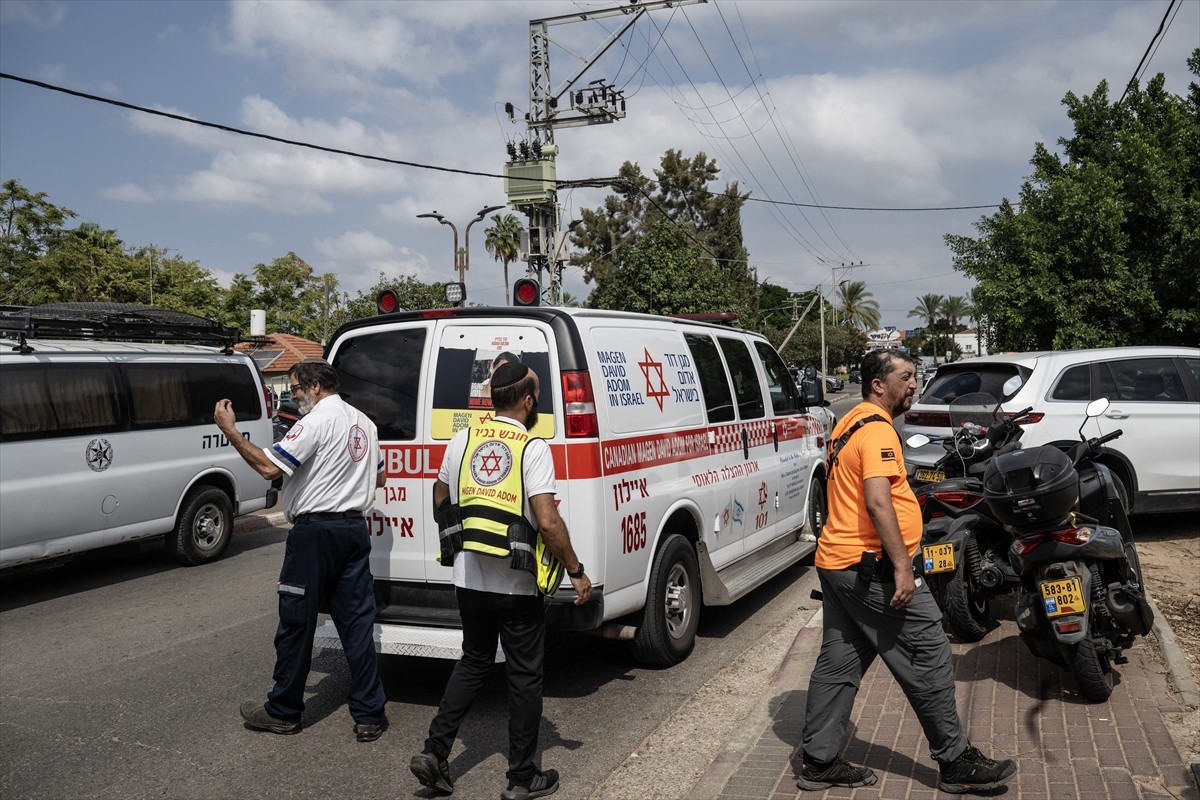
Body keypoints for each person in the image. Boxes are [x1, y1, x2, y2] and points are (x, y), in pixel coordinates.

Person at [797, 348, 1016, 795]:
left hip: (838, 565)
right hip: (871, 568)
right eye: (907, 376)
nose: (915, 384)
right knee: (930, 652)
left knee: (839, 663)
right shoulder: (876, 430)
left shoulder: (850, 422)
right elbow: (878, 502)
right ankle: (955, 761)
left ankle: (818, 761)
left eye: (916, 376)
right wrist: (902, 569)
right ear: (879, 384)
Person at [409, 362, 592, 800]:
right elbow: (547, 521)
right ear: (528, 401)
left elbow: (440, 494)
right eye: (538, 394)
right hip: (515, 584)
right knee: (525, 677)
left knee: (473, 661)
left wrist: (459, 528)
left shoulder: (463, 439)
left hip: (469, 576)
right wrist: (576, 571)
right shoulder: (533, 447)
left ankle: (434, 753)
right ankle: (522, 778)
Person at [214, 357, 389, 743]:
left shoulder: (317, 420)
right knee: (358, 625)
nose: (294, 398)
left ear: (314, 388)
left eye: (294, 390)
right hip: (353, 529)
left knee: (296, 622)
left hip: (315, 535)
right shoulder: (365, 423)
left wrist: (231, 432)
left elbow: (268, 468)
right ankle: (369, 714)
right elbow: (379, 475)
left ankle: (284, 711)